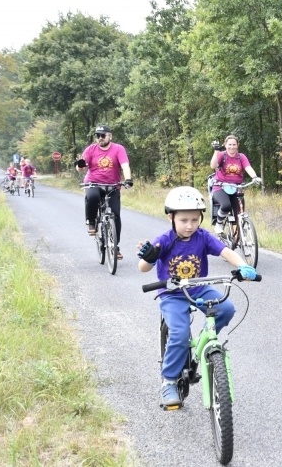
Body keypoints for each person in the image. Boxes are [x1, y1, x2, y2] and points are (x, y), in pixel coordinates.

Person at [137, 186, 258, 407]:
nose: (190, 225)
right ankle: (169, 382)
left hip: (199, 287)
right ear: (171, 217)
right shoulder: (164, 239)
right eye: (184, 220)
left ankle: (205, 337)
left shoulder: (202, 237)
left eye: (195, 219)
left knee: (227, 308)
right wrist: (150, 257)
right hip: (173, 294)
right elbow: (143, 267)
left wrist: (243, 265)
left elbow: (225, 251)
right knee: (180, 333)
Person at [76, 125, 133, 259]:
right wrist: (80, 165)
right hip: (93, 182)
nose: (100, 138)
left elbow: (125, 165)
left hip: (113, 185)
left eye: (103, 135)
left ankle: (115, 247)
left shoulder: (118, 149)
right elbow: (81, 168)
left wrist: (128, 179)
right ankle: (91, 222)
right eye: (98, 136)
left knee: (116, 215)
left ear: (110, 136)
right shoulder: (91, 149)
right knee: (93, 197)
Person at [209, 135, 261, 235]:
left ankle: (241, 235)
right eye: (229, 144)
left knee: (239, 212)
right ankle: (219, 224)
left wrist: (254, 177)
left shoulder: (241, 157)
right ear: (225, 145)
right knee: (226, 206)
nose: (231, 147)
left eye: (234, 144)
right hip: (220, 186)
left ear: (237, 145)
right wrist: (216, 152)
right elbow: (213, 165)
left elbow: (248, 167)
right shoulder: (221, 155)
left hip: (236, 187)